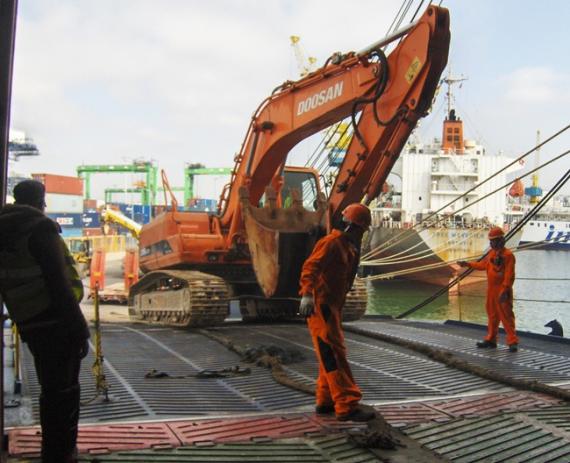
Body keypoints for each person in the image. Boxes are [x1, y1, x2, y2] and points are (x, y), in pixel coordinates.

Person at [0, 180, 90, 463]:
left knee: (51, 387)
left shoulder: (6, 227)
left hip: (29, 320)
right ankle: (60, 453)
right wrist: (80, 327)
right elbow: (58, 283)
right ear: (40, 200)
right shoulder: (39, 228)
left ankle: (56, 451)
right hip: (56, 320)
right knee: (64, 391)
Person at [298, 203, 375, 422]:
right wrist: (307, 294)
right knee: (335, 355)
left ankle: (326, 401)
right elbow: (310, 268)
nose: (362, 234)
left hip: (332, 308)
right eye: (361, 229)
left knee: (328, 355)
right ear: (352, 226)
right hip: (322, 308)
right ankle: (346, 405)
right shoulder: (332, 243)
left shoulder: (346, 246)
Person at [458, 226, 519, 352]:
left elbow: (509, 275)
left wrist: (505, 290)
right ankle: (491, 340)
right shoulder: (491, 254)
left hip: (502, 291)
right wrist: (468, 264)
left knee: (506, 316)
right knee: (492, 316)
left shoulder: (508, 256)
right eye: (490, 241)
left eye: (493, 241)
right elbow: (483, 265)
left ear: (500, 240)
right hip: (491, 290)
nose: (491, 243)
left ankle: (512, 342)